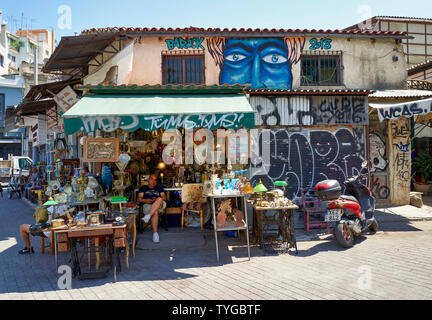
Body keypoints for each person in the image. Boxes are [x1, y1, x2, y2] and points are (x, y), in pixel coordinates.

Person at [137, 174, 166, 243]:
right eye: (152, 179)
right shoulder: (143, 188)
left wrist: (156, 199)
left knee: (159, 199)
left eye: (155, 180)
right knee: (155, 211)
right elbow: (139, 199)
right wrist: (146, 200)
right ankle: (155, 234)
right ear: (148, 180)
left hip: (160, 205)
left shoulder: (159, 188)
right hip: (147, 205)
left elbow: (164, 197)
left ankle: (148, 216)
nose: (153, 181)